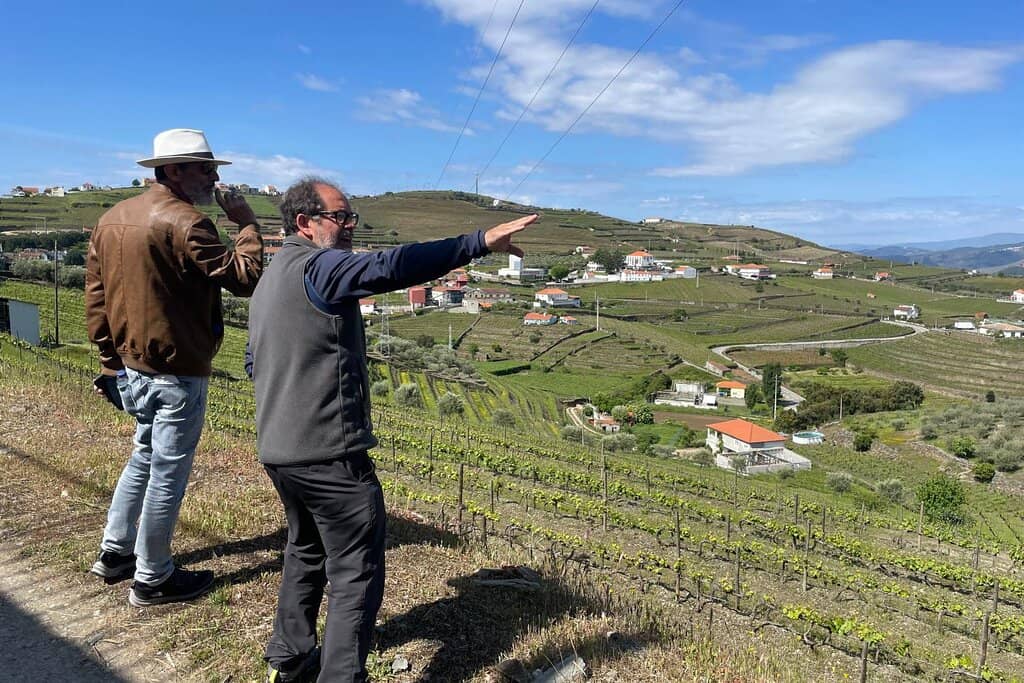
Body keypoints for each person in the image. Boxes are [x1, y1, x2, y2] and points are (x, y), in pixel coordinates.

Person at [248, 177, 536, 682]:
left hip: (279, 448)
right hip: (328, 453)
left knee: (306, 548)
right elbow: (389, 267)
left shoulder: (273, 277)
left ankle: (289, 659)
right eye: (340, 217)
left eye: (352, 215)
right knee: (355, 573)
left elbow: (254, 362)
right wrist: (477, 243)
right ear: (304, 223)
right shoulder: (321, 266)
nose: (351, 226)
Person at [85, 128, 264, 607]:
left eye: (213, 168)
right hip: (177, 367)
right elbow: (245, 279)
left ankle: (114, 552)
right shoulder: (190, 223)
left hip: (132, 365)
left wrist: (110, 363)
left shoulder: (111, 219)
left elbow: (96, 299)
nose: (213, 176)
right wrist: (246, 224)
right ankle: (153, 576)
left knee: (143, 455)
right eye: (205, 167)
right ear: (173, 170)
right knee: (167, 470)